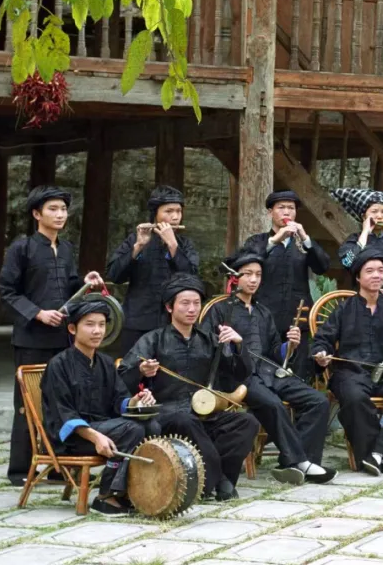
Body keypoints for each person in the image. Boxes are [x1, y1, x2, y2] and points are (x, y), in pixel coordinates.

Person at [0, 185, 105, 486]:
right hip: (31, 340)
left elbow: (69, 289)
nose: (60, 215)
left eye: (63, 209)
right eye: (53, 209)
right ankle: (21, 470)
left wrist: (85, 283)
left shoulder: (66, 248)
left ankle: (60, 466)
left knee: (61, 402)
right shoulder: (22, 248)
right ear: (37, 214)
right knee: (28, 404)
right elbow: (7, 291)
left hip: (62, 340)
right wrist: (38, 313)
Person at [119, 273, 258, 501]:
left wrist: (239, 345)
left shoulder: (209, 339)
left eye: (196, 303)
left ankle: (212, 480)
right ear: (169, 307)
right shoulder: (153, 339)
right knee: (186, 420)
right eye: (185, 303)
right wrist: (141, 370)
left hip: (205, 413)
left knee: (247, 423)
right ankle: (219, 482)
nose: (192, 309)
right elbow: (123, 376)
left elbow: (240, 374)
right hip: (167, 413)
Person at [201, 251, 335, 486]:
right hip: (238, 376)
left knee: (318, 401)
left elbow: (274, 350)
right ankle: (299, 462)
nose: (253, 280)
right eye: (248, 274)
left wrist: (289, 346)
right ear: (235, 277)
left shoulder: (263, 311)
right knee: (272, 404)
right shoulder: (220, 310)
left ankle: (299, 462)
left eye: (258, 275)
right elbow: (207, 348)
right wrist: (232, 344)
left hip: (268, 372)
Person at [41, 299, 159, 516]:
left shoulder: (104, 362)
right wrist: (95, 437)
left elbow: (119, 399)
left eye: (102, 324)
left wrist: (135, 401)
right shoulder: (58, 365)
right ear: (72, 328)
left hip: (104, 429)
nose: (97, 331)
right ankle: (106, 496)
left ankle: (131, 490)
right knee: (131, 430)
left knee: (152, 425)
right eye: (89, 324)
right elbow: (63, 413)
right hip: (73, 438)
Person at [312, 249, 383, 476]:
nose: (377, 275)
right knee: (355, 397)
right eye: (370, 271)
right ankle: (378, 455)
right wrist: (322, 353)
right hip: (351, 373)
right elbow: (323, 340)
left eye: (381, 271)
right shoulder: (344, 309)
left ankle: (378, 454)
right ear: (358, 277)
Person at [238, 191, 331, 381]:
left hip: (296, 316)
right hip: (264, 315)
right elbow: (244, 261)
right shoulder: (258, 241)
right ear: (270, 212)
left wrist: (305, 238)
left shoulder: (303, 244)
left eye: (291, 208)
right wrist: (275, 240)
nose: (286, 212)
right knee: (262, 370)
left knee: (296, 373)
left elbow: (322, 266)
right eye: (281, 208)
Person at [107, 186, 200, 355]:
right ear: (155, 213)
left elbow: (191, 278)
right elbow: (115, 275)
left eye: (178, 211)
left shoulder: (185, 244)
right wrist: (138, 247)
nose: (175, 217)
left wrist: (173, 246)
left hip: (174, 324)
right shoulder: (135, 239)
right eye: (169, 211)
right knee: (134, 367)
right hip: (137, 322)